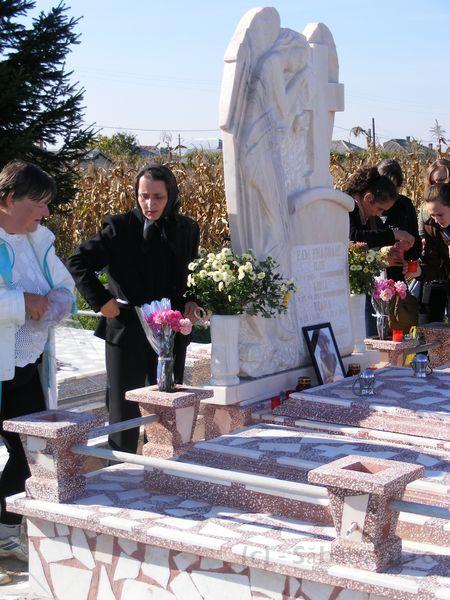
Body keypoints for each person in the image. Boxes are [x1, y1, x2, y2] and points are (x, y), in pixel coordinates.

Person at [67, 164, 200, 453]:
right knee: (122, 405)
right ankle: (119, 472)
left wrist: (193, 300)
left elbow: (192, 273)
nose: (150, 204)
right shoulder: (118, 227)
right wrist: (101, 301)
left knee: (166, 404)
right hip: (125, 328)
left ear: (171, 196)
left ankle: (164, 467)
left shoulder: (186, 229)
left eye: (158, 197)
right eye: (143, 196)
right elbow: (77, 262)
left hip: (170, 332)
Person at [0, 160, 74, 568]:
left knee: (30, 451)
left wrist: (55, 304)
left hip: (24, 364)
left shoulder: (36, 239)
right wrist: (21, 303)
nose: (45, 214)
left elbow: (63, 285)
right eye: (38, 204)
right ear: (10, 199)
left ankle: (7, 532)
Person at [343, 166, 415, 336]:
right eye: (380, 209)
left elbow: (377, 239)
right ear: (368, 198)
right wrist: (394, 234)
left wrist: (391, 250)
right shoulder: (345, 207)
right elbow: (354, 236)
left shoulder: (366, 213)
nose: (379, 214)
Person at [408, 183, 450, 323]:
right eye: (432, 214)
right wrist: (419, 272)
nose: (437, 219)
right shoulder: (430, 226)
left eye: (440, 214)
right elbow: (433, 267)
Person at [377, 159, 421, 281]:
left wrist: (409, 261)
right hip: (373, 274)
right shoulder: (368, 205)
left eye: (394, 189)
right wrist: (381, 253)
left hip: (398, 276)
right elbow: (359, 241)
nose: (389, 194)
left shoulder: (405, 206)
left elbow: (416, 244)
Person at [418, 158, 450, 237]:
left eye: (441, 180)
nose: (437, 185)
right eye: (432, 183)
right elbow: (421, 235)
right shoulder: (426, 210)